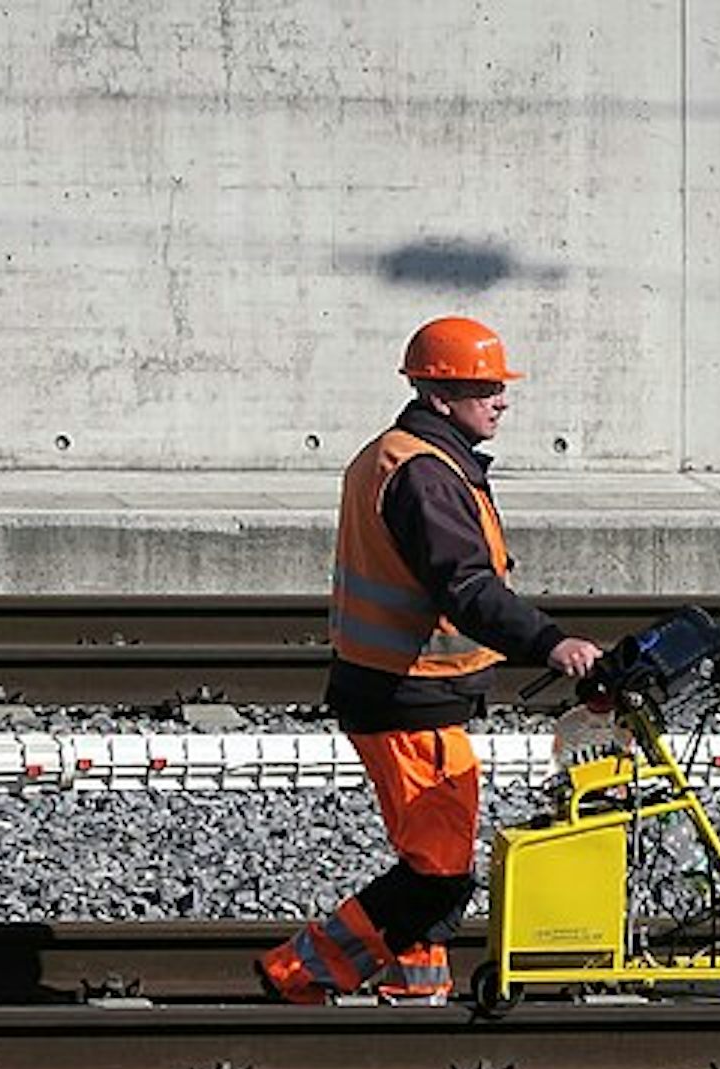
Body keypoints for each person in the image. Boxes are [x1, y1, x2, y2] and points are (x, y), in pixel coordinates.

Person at [256, 316, 604, 1005]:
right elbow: (468, 589)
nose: (501, 399)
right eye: (484, 386)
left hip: (396, 689)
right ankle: (300, 970)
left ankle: (419, 990)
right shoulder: (425, 474)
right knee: (441, 875)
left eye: (501, 385)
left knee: (430, 856)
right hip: (408, 697)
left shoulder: (400, 454)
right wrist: (551, 642)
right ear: (439, 394)